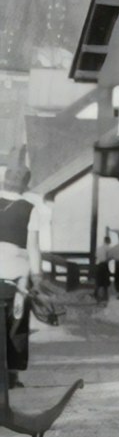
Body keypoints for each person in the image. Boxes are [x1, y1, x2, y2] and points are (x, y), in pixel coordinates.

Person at [0, 158, 46, 387]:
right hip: (15, 278)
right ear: (25, 184)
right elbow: (33, 248)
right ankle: (11, 375)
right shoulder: (30, 210)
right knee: (16, 324)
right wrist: (36, 278)